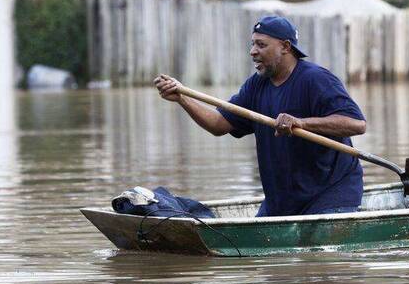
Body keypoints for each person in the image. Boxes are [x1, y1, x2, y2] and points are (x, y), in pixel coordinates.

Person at [154, 15, 366, 216]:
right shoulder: (256, 85)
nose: (252, 51)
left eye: (261, 45)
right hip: (282, 201)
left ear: (285, 47)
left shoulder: (316, 79)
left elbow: (357, 124)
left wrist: (301, 123)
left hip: (330, 197)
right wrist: (182, 97)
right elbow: (219, 125)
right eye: (252, 44)